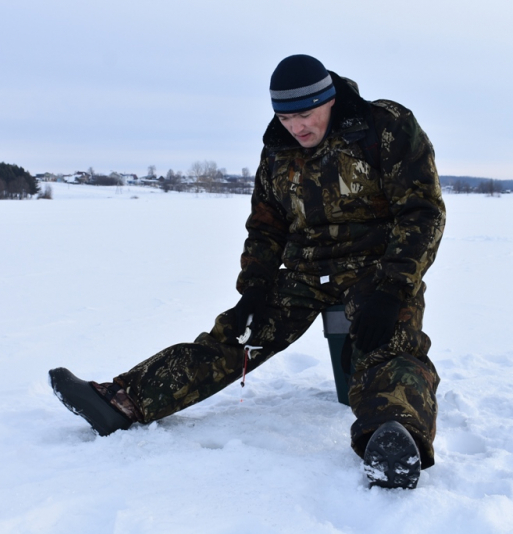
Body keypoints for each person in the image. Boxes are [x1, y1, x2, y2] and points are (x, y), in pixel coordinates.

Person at [50, 54, 445, 490]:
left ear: (329, 99)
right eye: (285, 116)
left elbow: (422, 212)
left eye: (306, 115)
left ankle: (394, 438)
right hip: (304, 272)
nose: (297, 127)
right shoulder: (277, 148)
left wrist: (393, 290)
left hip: (378, 270)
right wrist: (254, 288)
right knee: (235, 336)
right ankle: (124, 399)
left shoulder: (384, 126)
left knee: (391, 345)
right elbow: (266, 224)